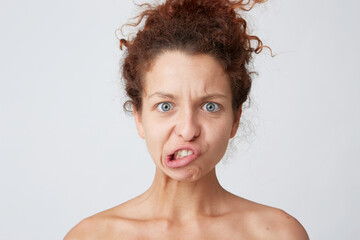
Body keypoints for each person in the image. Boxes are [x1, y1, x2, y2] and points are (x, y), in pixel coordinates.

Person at [65, 0, 309, 239]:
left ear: (235, 120)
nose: (188, 130)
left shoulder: (279, 234)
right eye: (165, 106)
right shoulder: (91, 236)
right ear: (139, 118)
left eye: (210, 106)